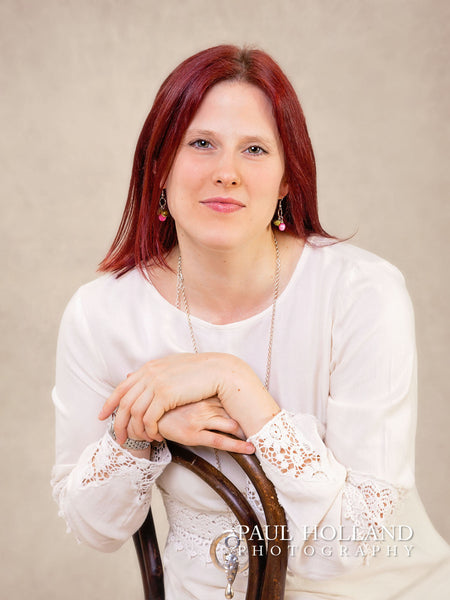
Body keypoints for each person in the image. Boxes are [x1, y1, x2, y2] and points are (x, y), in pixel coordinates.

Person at [51, 45, 449, 599]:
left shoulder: (362, 292)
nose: (227, 173)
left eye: (256, 149)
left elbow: (356, 543)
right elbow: (95, 528)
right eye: (202, 144)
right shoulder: (102, 313)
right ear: (159, 166)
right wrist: (144, 429)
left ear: (288, 179)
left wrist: (232, 382)